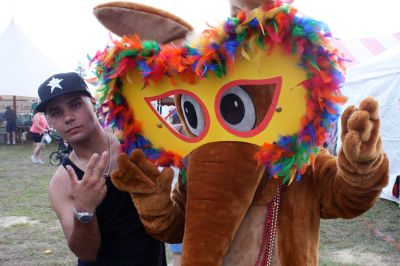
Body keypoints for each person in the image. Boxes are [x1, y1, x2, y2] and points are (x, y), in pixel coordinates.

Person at [37, 72, 166, 265]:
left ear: (93, 103)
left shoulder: (133, 146)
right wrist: (84, 210)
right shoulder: (62, 183)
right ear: (50, 122)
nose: (68, 117)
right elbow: (86, 253)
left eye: (75, 104)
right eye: (56, 113)